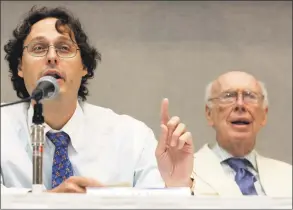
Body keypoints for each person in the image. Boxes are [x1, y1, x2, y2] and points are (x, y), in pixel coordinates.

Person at [1, 6, 194, 194]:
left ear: (84, 66)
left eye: (64, 48)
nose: (52, 57)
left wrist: (176, 187)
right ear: (20, 67)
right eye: (39, 48)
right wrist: (47, 203)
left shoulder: (132, 138)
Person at [191, 71, 292, 197]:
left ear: (264, 115)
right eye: (228, 96)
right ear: (209, 114)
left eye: (250, 96)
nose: (240, 104)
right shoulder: (183, 174)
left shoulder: (288, 176)